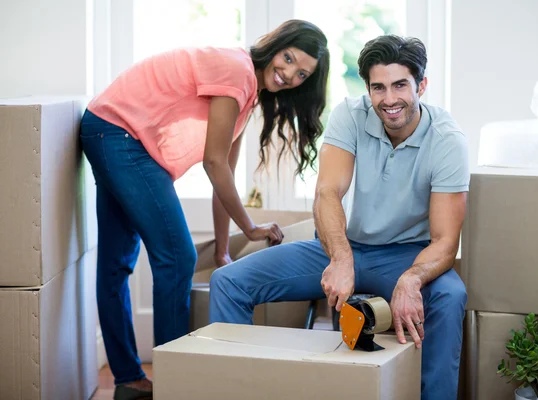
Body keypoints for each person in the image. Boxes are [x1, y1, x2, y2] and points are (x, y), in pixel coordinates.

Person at [80, 19, 329, 400]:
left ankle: (129, 381)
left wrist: (224, 250)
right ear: (275, 45)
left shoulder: (247, 95)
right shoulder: (238, 72)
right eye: (288, 58)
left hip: (106, 127)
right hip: (120, 135)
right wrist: (251, 228)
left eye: (301, 74)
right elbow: (214, 163)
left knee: (115, 263)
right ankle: (178, 383)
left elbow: (222, 174)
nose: (289, 74)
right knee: (177, 256)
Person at [209, 34, 469, 400]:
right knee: (229, 282)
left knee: (450, 295)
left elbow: (445, 240)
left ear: (421, 85)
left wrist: (411, 280)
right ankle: (233, 391)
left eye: (400, 85)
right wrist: (341, 256)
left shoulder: (447, 140)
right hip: (340, 246)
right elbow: (327, 193)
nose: (389, 99)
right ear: (368, 88)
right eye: (378, 87)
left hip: (405, 256)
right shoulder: (351, 114)